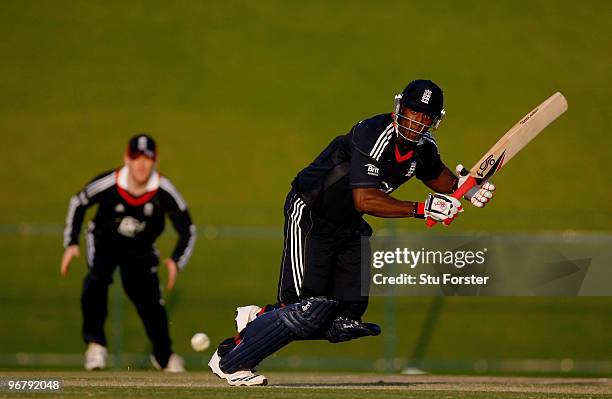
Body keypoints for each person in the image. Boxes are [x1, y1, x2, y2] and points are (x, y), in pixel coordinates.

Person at [207, 80, 496, 386]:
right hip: (312, 213)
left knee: (344, 320)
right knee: (305, 309)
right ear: (398, 109)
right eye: (412, 112)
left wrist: (465, 188)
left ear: (435, 121)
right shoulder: (373, 134)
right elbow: (365, 199)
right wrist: (421, 209)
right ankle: (230, 361)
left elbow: (440, 178)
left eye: (426, 117)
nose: (416, 123)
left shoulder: (423, 149)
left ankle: (261, 317)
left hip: (348, 223)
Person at [60, 134, 196, 372]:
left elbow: (188, 228)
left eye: (147, 159)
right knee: (96, 281)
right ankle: (95, 345)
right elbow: (78, 202)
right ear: (126, 158)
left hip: (141, 249)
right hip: (104, 242)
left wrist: (176, 260)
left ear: (155, 160)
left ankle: (164, 356)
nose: (141, 165)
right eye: (136, 158)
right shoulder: (109, 183)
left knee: (150, 301)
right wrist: (71, 243)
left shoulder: (163, 189)